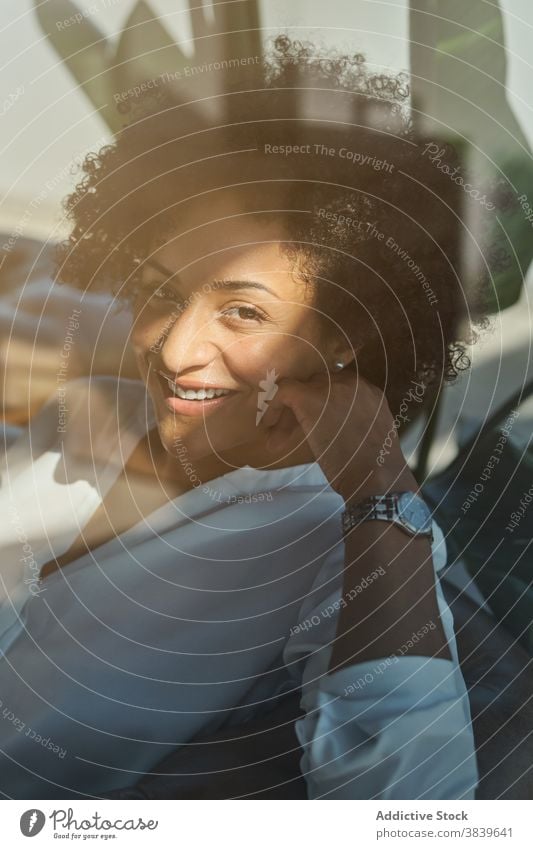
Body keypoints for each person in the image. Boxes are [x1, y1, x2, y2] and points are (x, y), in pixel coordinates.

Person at [0, 37, 488, 799]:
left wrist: (380, 492)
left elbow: (415, 799)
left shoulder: (339, 534)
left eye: (241, 311)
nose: (173, 346)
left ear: (344, 336)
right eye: (163, 293)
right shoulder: (91, 410)